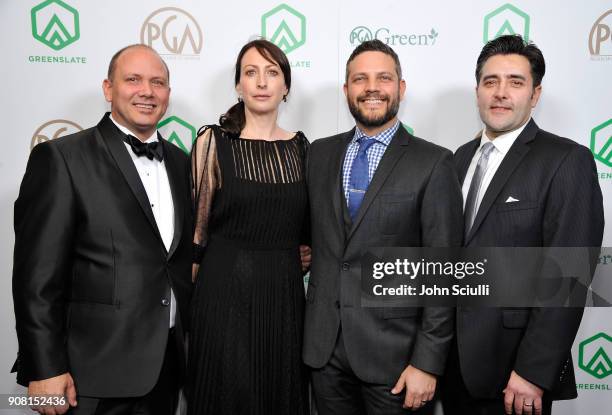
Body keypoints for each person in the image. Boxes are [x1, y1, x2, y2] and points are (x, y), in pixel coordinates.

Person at [12, 44, 193, 415]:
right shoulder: (62, 158)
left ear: (168, 96)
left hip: (167, 368)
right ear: (108, 89)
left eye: (158, 82)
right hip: (90, 374)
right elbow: (37, 276)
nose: (147, 91)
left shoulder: (182, 162)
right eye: (133, 80)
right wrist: (45, 367)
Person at [442, 35, 604, 415]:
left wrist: (533, 371)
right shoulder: (458, 159)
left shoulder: (566, 161)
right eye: (490, 81)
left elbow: (569, 276)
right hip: (452, 368)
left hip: (514, 376)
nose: (501, 93)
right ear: (478, 90)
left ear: (535, 94)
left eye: (515, 82)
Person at [303, 39, 463, 414]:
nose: (371, 87)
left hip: (397, 361)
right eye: (360, 79)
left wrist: (427, 361)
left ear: (401, 88)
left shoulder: (434, 163)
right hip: (324, 353)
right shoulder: (319, 154)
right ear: (347, 90)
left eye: (383, 78)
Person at [187, 39, 310, 415]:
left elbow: (310, 229)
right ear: (238, 85)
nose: (261, 82)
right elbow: (197, 233)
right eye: (251, 72)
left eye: (272, 73)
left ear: (285, 87)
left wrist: (305, 253)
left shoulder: (304, 148)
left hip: (284, 298)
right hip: (223, 295)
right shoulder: (213, 141)